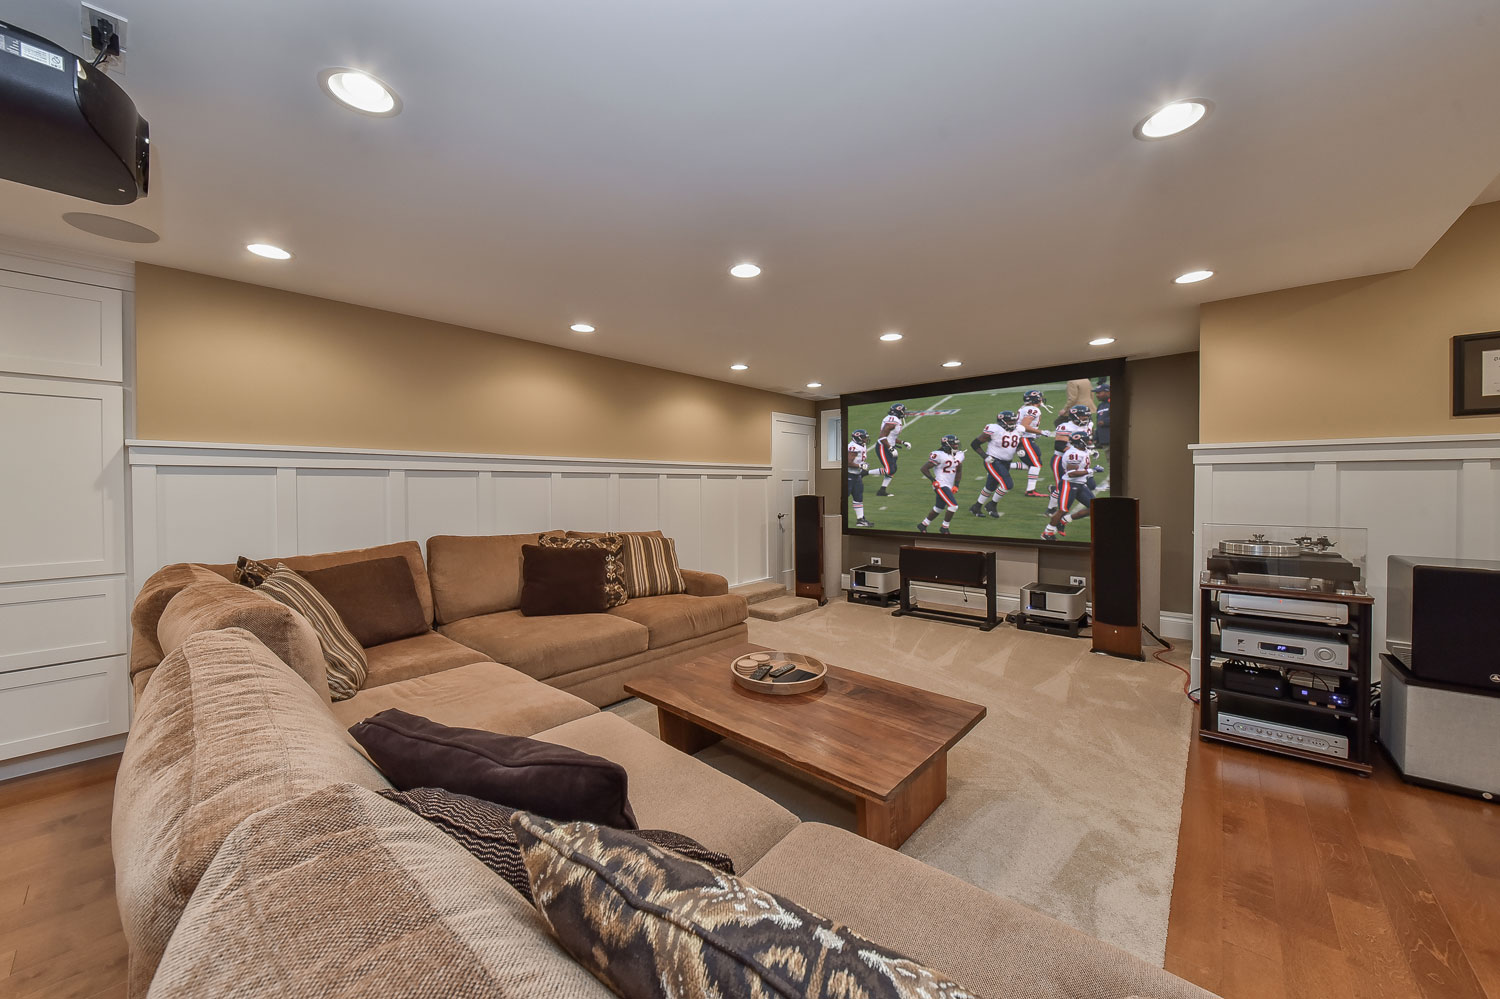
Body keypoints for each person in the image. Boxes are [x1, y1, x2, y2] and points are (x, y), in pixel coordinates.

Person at [1042, 430, 1098, 540]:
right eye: (1087, 440)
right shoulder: (1073, 454)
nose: (1089, 441)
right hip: (1069, 484)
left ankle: (1064, 520)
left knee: (1095, 508)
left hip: (1081, 484)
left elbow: (1088, 451)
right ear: (1080, 442)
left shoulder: (1082, 449)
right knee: (1062, 510)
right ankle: (1047, 533)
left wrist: (1094, 452)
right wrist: (1091, 471)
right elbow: (1071, 474)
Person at [968, 411, 1022, 518]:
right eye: (1010, 420)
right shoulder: (995, 429)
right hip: (993, 461)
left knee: (990, 487)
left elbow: (1017, 442)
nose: (1013, 422)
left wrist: (1020, 449)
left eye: (1014, 420)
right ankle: (992, 505)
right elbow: (975, 444)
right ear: (1002, 421)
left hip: (1006, 462)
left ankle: (976, 507)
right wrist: (985, 456)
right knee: (1007, 484)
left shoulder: (1018, 430)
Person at [917, 435, 964, 535]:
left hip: (949, 485)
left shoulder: (959, 455)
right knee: (953, 506)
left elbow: (959, 470)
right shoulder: (939, 455)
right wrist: (933, 480)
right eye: (954, 444)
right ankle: (944, 527)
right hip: (940, 484)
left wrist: (956, 485)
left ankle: (923, 524)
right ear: (947, 445)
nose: (956, 446)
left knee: (939, 507)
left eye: (957, 443)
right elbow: (924, 468)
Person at [1016, 390, 1052, 497]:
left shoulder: (1025, 408)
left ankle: (1004, 466)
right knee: (1036, 464)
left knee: (1032, 464)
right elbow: (1024, 426)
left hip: (1023, 438)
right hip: (1024, 439)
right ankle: (1030, 491)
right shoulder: (1033, 409)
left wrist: (1035, 434)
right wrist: (1041, 432)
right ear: (1037, 399)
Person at [875, 403, 911, 496]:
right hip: (883, 447)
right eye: (903, 410)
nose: (905, 412)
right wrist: (890, 448)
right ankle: (865, 473)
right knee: (890, 470)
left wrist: (903, 442)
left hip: (889, 446)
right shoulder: (892, 420)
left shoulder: (896, 420)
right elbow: (882, 437)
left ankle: (882, 490)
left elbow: (891, 437)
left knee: (893, 469)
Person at [846, 429, 873, 526]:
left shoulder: (862, 445)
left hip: (856, 475)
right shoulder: (854, 447)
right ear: (858, 438)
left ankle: (860, 520)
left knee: (858, 497)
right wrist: (860, 466)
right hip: (849, 475)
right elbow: (847, 462)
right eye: (864, 437)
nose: (866, 439)